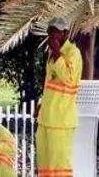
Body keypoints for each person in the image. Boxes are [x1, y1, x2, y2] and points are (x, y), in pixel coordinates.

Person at [36, 17, 82, 176]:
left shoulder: (73, 53)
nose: (52, 36)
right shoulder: (53, 55)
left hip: (61, 121)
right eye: (50, 33)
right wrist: (42, 105)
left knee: (60, 167)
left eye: (56, 32)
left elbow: (68, 79)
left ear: (65, 33)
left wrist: (56, 52)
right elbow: (51, 85)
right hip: (46, 118)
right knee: (45, 165)